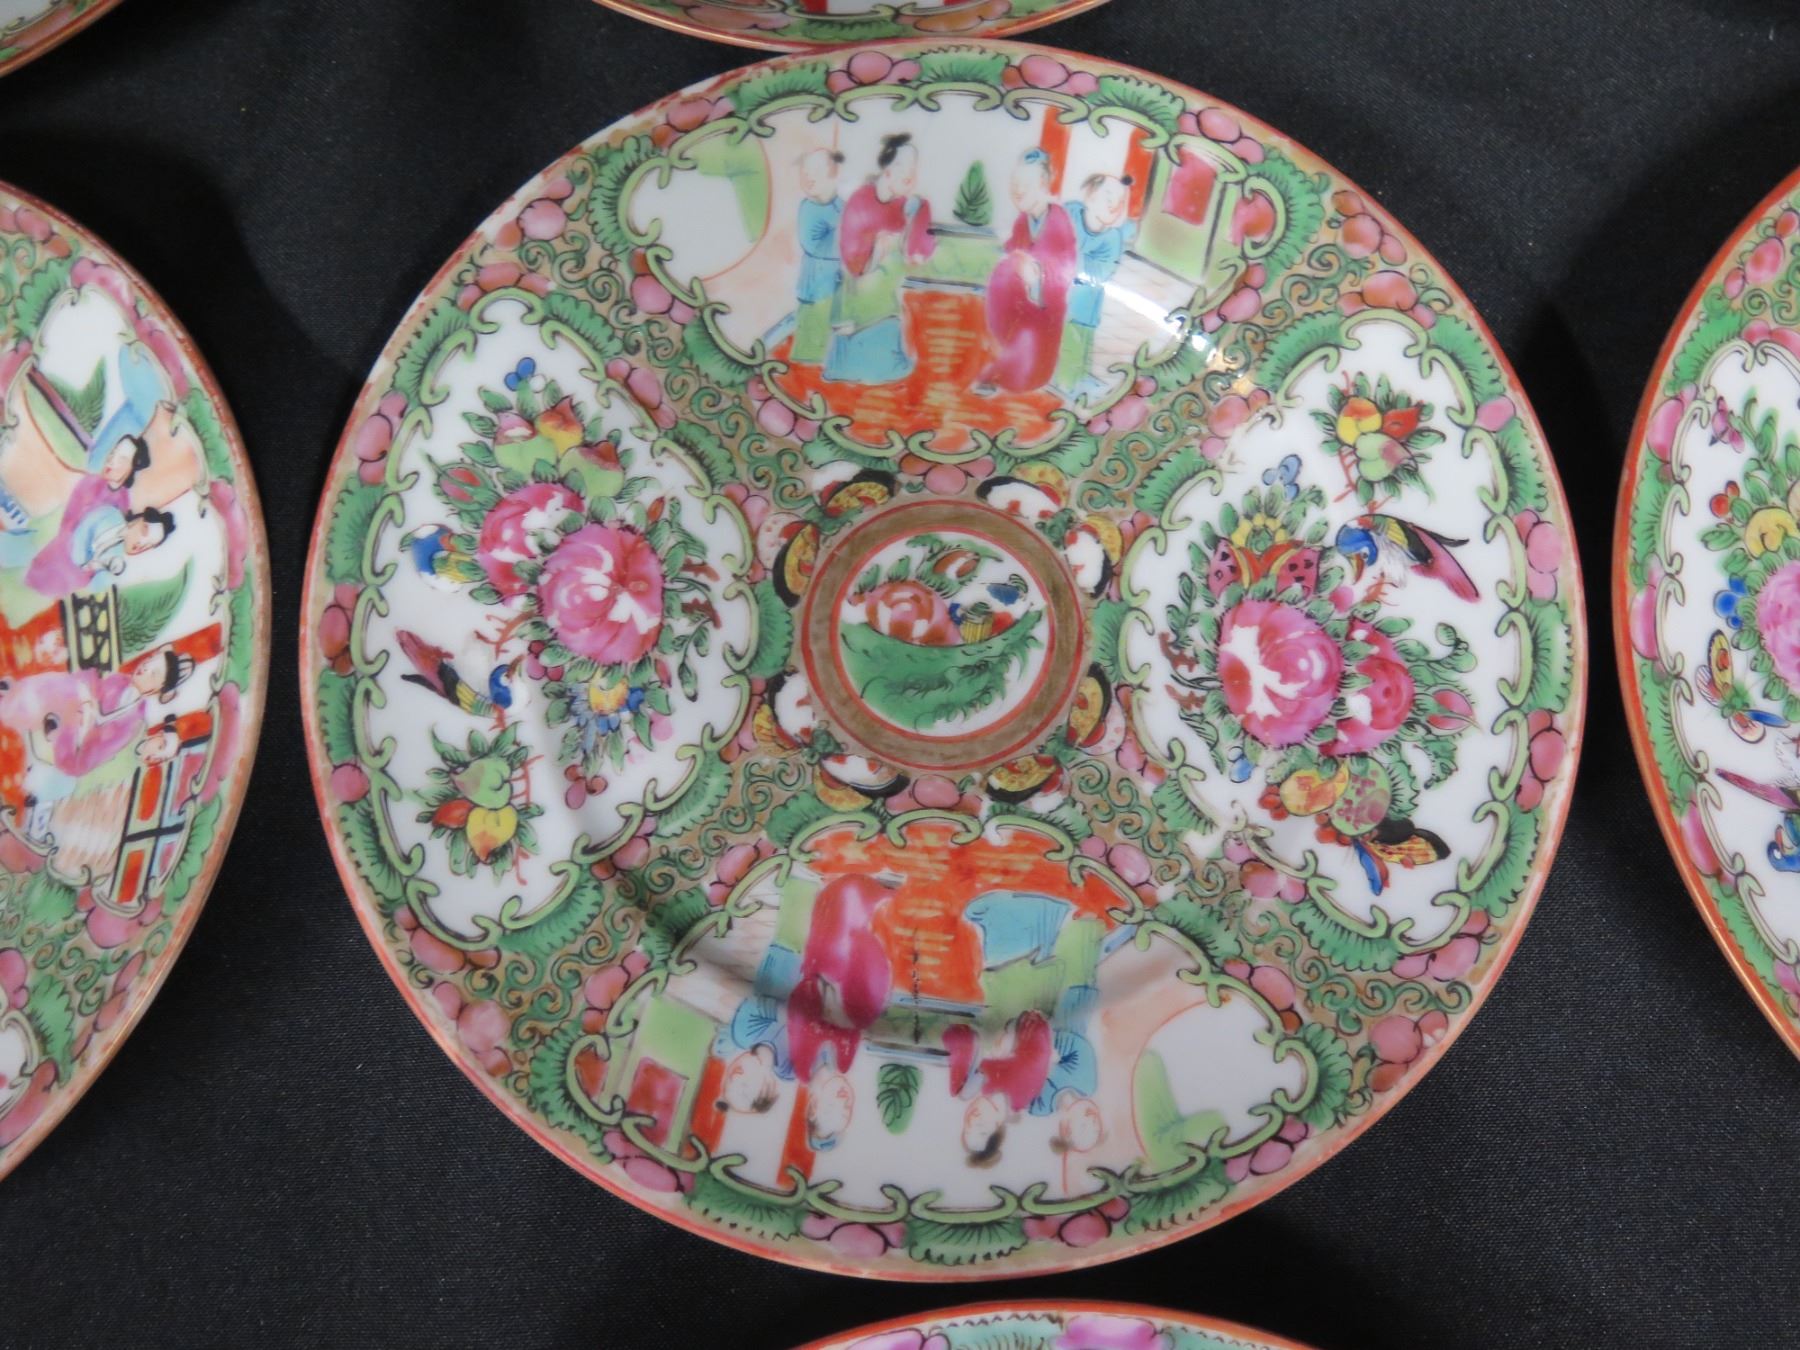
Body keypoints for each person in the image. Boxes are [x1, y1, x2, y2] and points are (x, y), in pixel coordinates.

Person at [825, 134, 937, 385]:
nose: (910, 177)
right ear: (887, 171)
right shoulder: (860, 202)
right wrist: (878, 247)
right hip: (859, 288)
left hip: (885, 295)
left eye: (913, 170)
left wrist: (916, 219)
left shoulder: (905, 205)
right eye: (903, 169)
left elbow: (918, 251)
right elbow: (852, 259)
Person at [975, 149, 1077, 395]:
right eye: (1015, 184)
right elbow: (1012, 249)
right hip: (1020, 306)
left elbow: (1063, 270)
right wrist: (1012, 262)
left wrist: (1035, 275)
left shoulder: (1058, 221)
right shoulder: (1023, 220)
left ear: (1043, 184)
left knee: (1023, 371)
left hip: (1044, 313)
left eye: (1026, 185)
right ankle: (1001, 364)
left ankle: (1010, 371)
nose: (1018, 191)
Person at [1054, 173, 1135, 397]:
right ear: (1089, 197)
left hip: (1084, 307)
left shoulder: (1111, 239)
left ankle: (1074, 383)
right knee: (1057, 341)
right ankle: (1061, 379)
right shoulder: (1070, 213)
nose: (1114, 204)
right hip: (1054, 294)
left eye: (1120, 201)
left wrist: (1070, 255)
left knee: (1079, 344)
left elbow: (1100, 272)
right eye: (1108, 196)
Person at [791, 149, 845, 366]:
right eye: (804, 172)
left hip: (840, 285)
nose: (808, 177)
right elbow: (814, 245)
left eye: (815, 170)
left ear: (833, 173)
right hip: (815, 286)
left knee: (836, 334)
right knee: (811, 342)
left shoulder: (842, 206)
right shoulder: (809, 208)